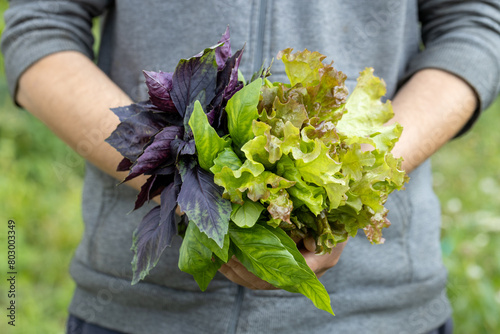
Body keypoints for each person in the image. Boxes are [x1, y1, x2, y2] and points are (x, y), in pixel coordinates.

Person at [2, 1, 500, 333]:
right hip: (143, 310)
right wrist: (182, 183)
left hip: (378, 311)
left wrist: (348, 182)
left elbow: (473, 23)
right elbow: (40, 25)